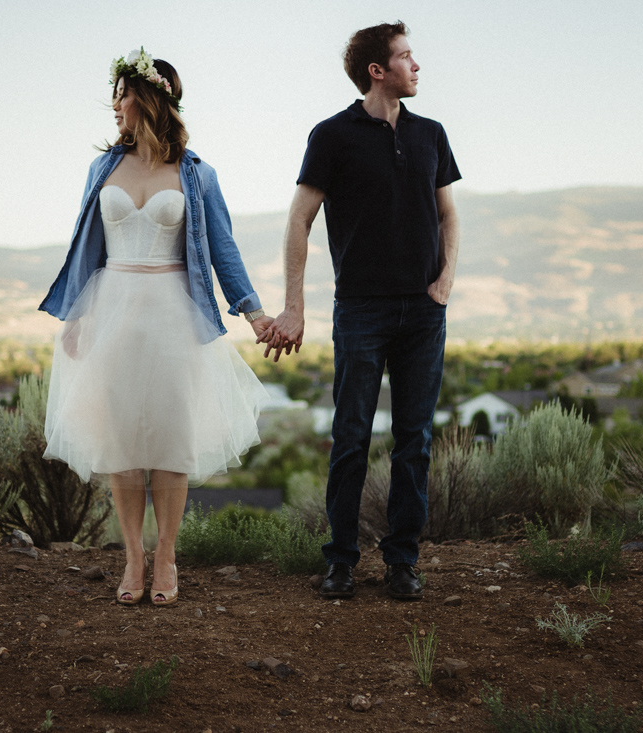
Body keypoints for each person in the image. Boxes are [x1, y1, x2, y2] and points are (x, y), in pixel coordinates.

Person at [39, 48, 273, 607]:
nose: (115, 106)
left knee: (169, 439)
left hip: (173, 312)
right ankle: (133, 558)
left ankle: (166, 556)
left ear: (147, 99)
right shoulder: (102, 169)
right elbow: (86, 249)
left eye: (121, 96)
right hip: (112, 308)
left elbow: (223, 249)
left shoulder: (197, 174)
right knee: (122, 443)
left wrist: (253, 310)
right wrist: (76, 315)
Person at [260, 22, 461, 601]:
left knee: (414, 441)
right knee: (350, 439)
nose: (417, 65)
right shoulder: (333, 135)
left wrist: (444, 280)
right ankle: (341, 561)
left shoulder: (431, 134)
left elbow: (448, 214)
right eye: (405, 56)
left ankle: (402, 561)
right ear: (378, 71)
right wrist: (294, 305)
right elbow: (299, 218)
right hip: (361, 312)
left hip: (424, 313)